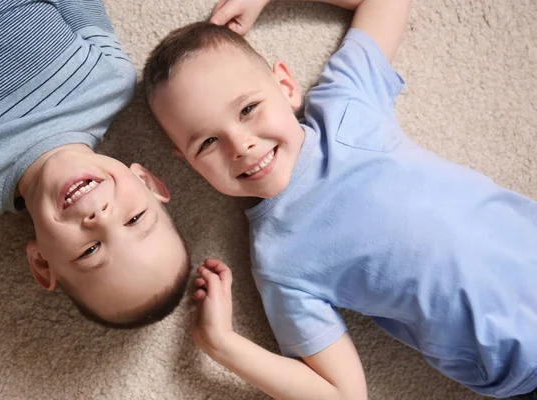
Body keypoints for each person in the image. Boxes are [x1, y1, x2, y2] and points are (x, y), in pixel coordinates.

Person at [142, 0, 537, 398]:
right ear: (190, 163)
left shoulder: (343, 104)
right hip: (522, 365)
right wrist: (222, 344)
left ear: (285, 85)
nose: (240, 144)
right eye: (207, 142)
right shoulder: (279, 261)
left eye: (248, 109)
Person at [0, 0, 190, 328]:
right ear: (147, 181)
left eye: (90, 251)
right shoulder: (110, 82)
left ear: (42, 262)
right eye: (134, 218)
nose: (100, 218)